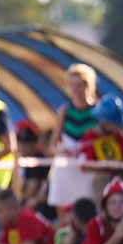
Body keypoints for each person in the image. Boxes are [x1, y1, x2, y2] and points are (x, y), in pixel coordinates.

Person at [47, 63, 99, 215]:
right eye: (72, 85)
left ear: (88, 85)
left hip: (87, 171)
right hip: (65, 170)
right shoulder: (64, 111)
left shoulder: (97, 111)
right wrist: (63, 151)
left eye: (80, 85)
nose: (76, 90)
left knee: (88, 212)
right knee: (64, 215)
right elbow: (51, 146)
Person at [78, 93, 123, 200]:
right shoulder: (91, 135)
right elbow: (84, 165)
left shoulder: (119, 136)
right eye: (109, 122)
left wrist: (119, 165)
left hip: (120, 178)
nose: (113, 126)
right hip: (99, 180)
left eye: (115, 123)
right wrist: (104, 165)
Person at [15, 120, 55, 221]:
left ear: (35, 143)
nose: (22, 147)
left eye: (26, 143)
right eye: (20, 143)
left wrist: (16, 202)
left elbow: (30, 191)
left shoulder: (37, 160)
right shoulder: (24, 160)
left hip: (45, 211)